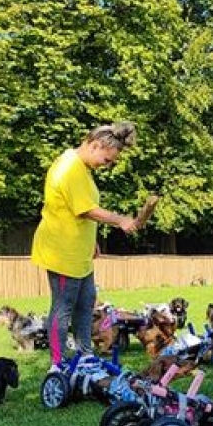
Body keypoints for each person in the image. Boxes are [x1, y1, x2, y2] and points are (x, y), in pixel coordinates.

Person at [31, 121, 140, 369]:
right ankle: (57, 363)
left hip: (79, 251)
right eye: (108, 159)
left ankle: (85, 355)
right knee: (63, 307)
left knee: (87, 301)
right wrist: (120, 220)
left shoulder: (82, 169)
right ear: (94, 145)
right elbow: (86, 209)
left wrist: (92, 242)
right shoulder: (69, 168)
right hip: (61, 251)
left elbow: (77, 210)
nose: (108, 165)